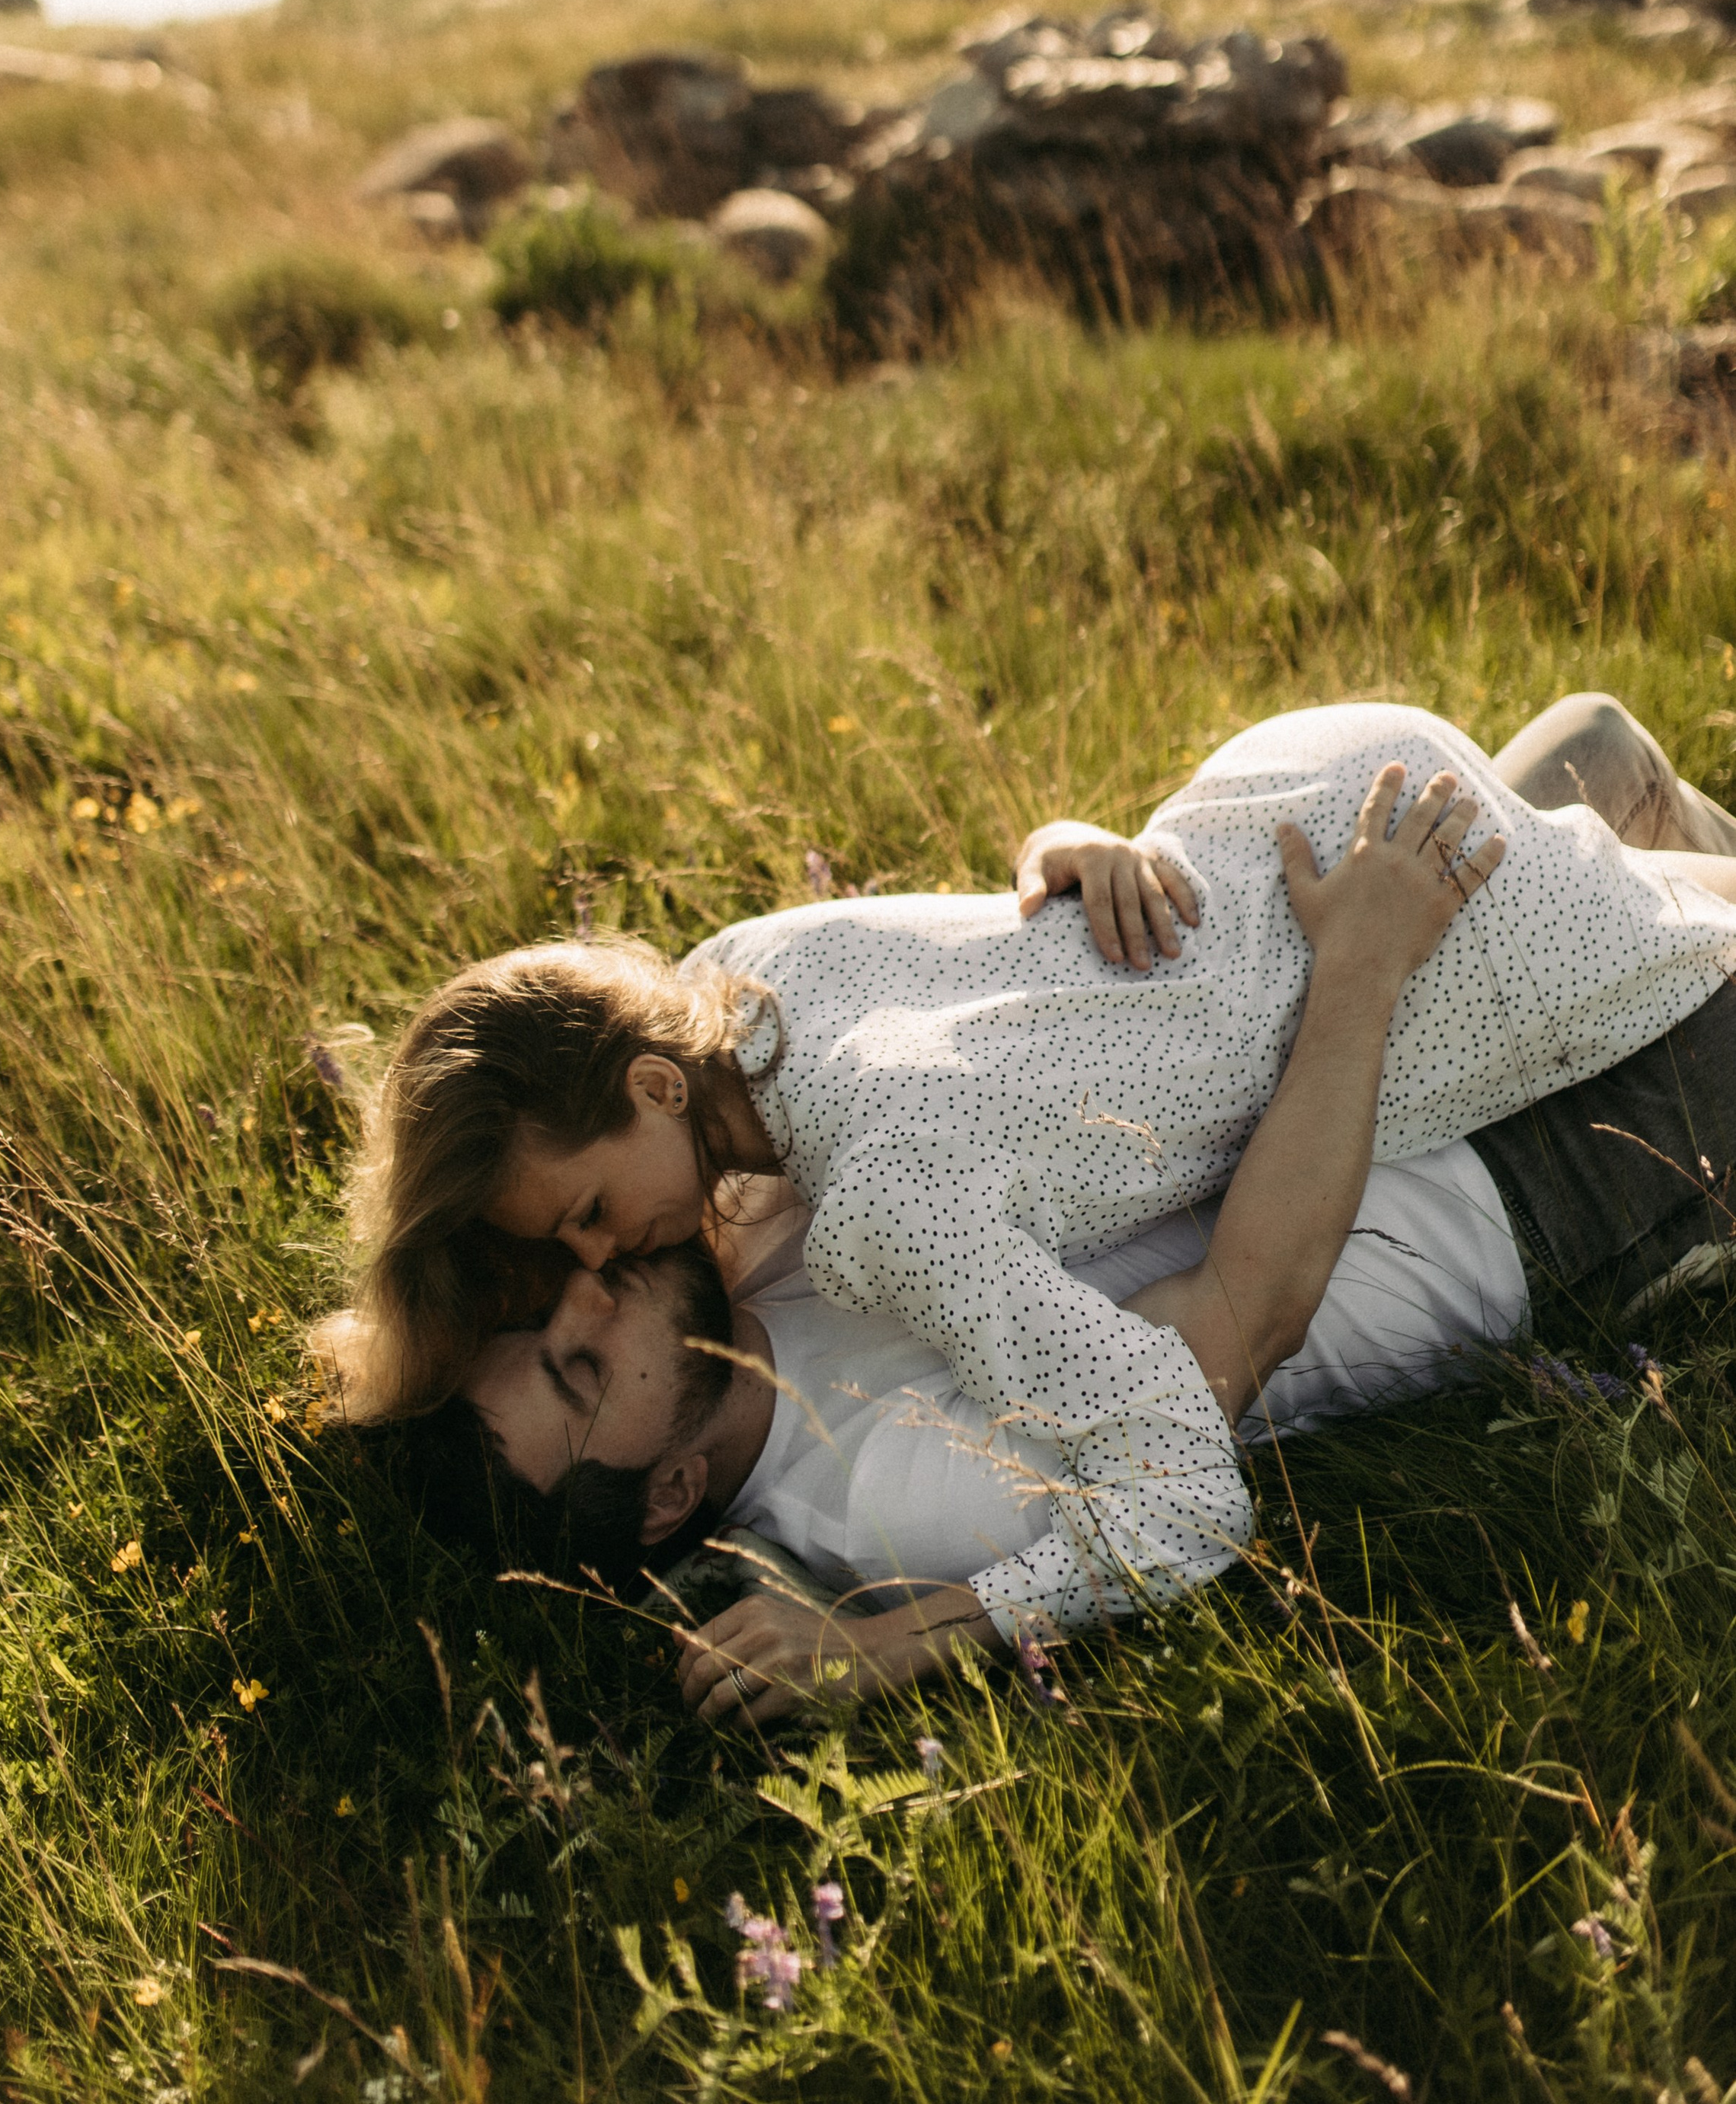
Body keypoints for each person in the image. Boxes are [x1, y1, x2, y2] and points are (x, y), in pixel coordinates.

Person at [318, 695, 1736, 1648]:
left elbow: (982, 1005)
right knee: (1623, 847)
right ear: (672, 1490)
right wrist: (890, 1649)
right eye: (579, 1361)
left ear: (652, 1080)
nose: (591, 1281)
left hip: (1313, 955)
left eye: (550, 1282)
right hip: (1504, 1173)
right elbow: (1224, 1362)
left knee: (1596, 744)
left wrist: (1071, 853)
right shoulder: (892, 1491)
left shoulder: (735, 1160)